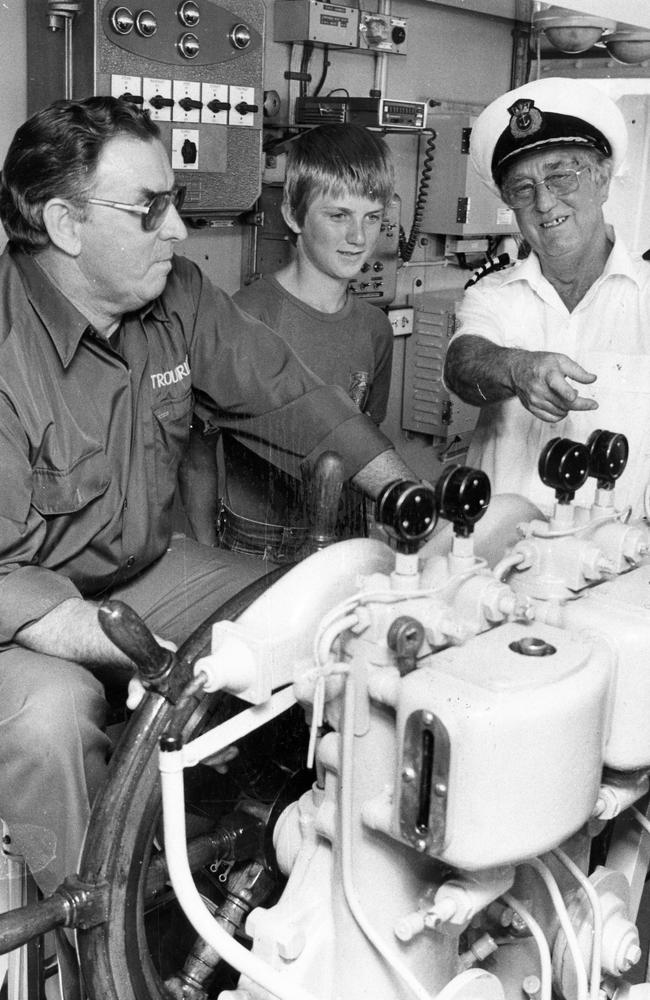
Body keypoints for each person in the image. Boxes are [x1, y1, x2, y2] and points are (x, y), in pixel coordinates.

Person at [0, 96, 417, 897]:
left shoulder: (178, 296)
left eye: (176, 203)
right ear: (64, 223)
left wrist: (401, 494)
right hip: (22, 622)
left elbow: (287, 398)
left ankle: (288, 863)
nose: (179, 230)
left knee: (324, 610)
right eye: (149, 208)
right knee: (49, 718)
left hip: (142, 570)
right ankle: (108, 937)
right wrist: (151, 656)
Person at [178, 123, 395, 560]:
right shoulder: (245, 317)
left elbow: (367, 444)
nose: (359, 238)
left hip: (346, 542)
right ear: (293, 215)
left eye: (372, 217)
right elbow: (197, 454)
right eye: (338, 215)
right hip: (258, 546)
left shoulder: (375, 328)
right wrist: (209, 552)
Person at [443, 77, 650, 516]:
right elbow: (462, 366)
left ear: (602, 179)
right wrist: (517, 368)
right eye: (523, 188)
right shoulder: (493, 293)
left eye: (560, 177)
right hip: (494, 560)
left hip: (618, 561)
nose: (544, 202)